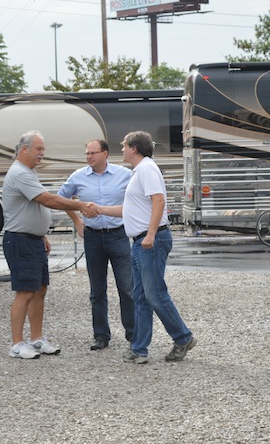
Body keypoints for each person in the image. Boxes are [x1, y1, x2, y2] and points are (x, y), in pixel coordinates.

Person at [99, 131, 196, 364]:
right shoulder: (139, 171)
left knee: (155, 295)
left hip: (149, 241)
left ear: (134, 148)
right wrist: (99, 209)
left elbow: (159, 200)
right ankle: (139, 349)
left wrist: (151, 234)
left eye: (123, 146)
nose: (121, 150)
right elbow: (129, 210)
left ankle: (183, 337)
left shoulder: (146, 169)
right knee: (141, 297)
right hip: (140, 242)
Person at [3, 130, 98, 360]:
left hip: (32, 240)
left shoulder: (28, 172)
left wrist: (41, 234)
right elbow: (47, 200)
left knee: (39, 291)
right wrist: (82, 206)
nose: (42, 154)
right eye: (38, 149)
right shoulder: (20, 173)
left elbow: (32, 208)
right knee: (24, 292)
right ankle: (16, 344)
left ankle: (36, 339)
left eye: (43, 150)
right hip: (20, 241)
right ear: (24, 148)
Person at [58, 139, 134, 351]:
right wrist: (77, 222)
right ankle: (101, 336)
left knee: (127, 288)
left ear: (105, 154)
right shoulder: (78, 176)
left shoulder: (124, 175)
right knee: (97, 290)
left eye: (93, 153)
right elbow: (61, 199)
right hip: (92, 237)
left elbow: (137, 200)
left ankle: (133, 334)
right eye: (87, 153)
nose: (89, 156)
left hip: (118, 235)